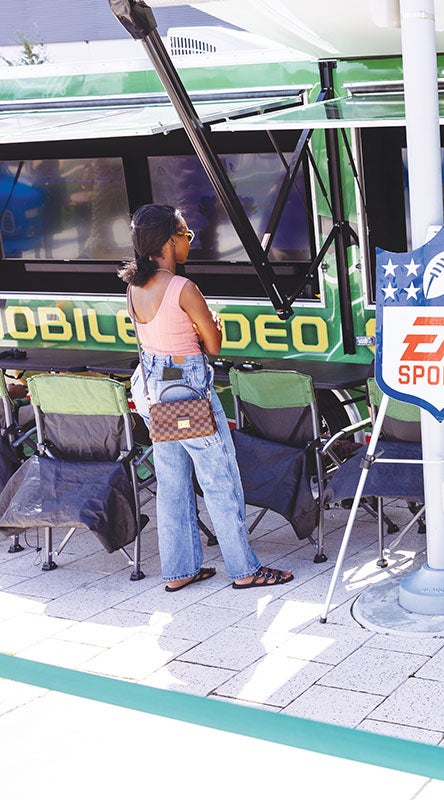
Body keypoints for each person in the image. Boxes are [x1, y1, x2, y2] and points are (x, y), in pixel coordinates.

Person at [120, 204, 293, 592]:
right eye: (186, 235)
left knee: (173, 484)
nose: (188, 242)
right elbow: (213, 345)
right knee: (220, 480)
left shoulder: (133, 288)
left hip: (157, 391)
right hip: (189, 389)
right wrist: (212, 324)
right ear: (168, 241)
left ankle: (180, 570)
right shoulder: (183, 288)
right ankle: (244, 569)